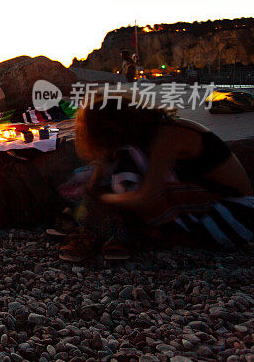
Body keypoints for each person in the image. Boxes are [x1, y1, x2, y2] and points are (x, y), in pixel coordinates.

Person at [58, 95, 253, 262]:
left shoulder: (167, 136)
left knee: (129, 187)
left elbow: (147, 197)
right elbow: (107, 164)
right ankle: (104, 229)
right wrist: (97, 182)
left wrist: (103, 198)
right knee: (102, 174)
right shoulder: (149, 132)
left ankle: (109, 230)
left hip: (235, 215)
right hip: (212, 203)